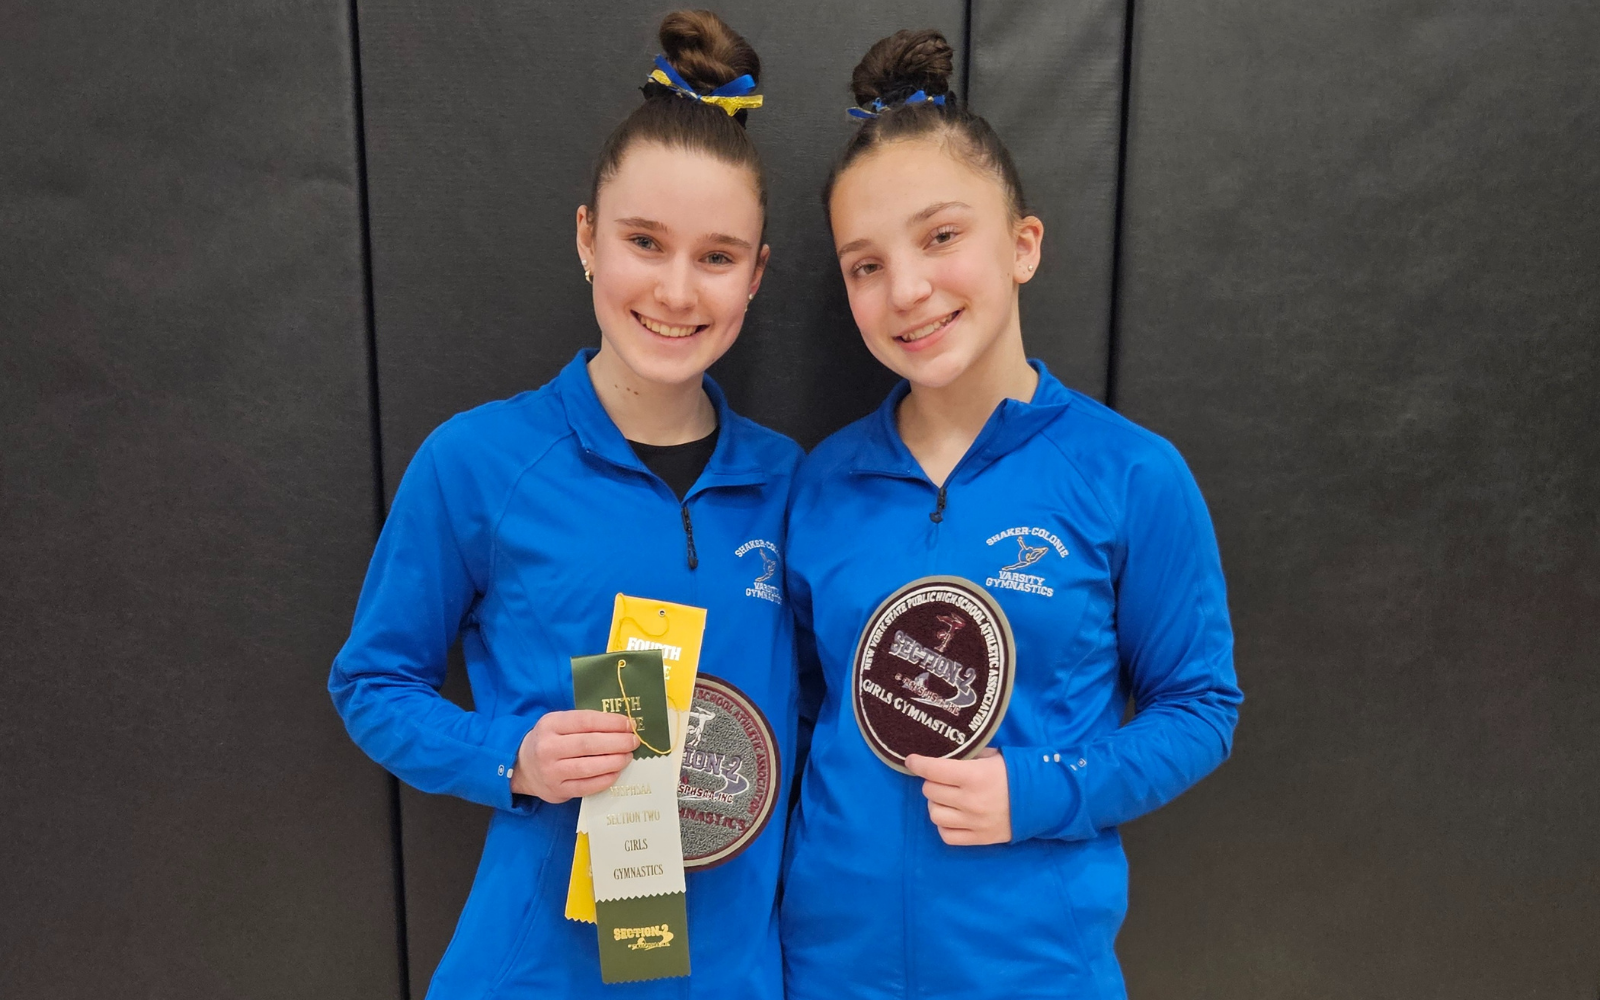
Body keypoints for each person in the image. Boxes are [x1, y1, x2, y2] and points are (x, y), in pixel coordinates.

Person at [328, 11, 800, 997]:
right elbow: (372, 683)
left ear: (756, 276)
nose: (676, 289)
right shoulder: (478, 462)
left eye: (717, 256)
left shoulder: (795, 485)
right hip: (538, 970)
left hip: (737, 973)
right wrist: (515, 755)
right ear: (588, 238)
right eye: (643, 241)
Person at [780, 28, 1243, 999]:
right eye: (864, 264)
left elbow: (1200, 709)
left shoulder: (1128, 474)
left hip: (1033, 972)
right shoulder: (818, 485)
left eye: (941, 236)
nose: (906, 288)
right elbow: (808, 716)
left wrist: (1041, 791)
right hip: (826, 971)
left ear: (1023, 244)